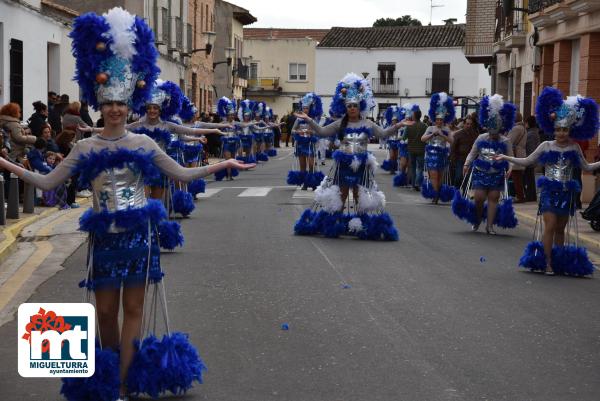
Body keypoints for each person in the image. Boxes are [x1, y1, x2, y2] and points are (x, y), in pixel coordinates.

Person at [4, 9, 255, 401]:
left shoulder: (144, 144)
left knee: (134, 309)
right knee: (105, 312)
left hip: (140, 236)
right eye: (108, 104)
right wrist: (5, 163)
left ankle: (122, 386)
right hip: (105, 240)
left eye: (121, 103)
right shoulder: (85, 146)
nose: (116, 109)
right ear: (99, 106)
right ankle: (105, 376)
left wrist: (223, 162)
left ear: (130, 104)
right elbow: (46, 181)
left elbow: (182, 175)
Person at [497, 87, 600, 276]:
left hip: (566, 193)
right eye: (559, 129)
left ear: (570, 131)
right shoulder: (546, 145)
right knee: (550, 225)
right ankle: (547, 262)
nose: (561, 133)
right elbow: (528, 161)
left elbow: (586, 167)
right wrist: (506, 157)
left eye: (565, 130)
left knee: (560, 229)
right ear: (554, 130)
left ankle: (559, 261)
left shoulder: (575, 147)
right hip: (548, 193)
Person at [293, 73, 402, 240]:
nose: (352, 108)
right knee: (341, 196)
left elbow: (384, 133)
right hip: (343, 166)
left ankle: (362, 226)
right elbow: (322, 132)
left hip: (361, 167)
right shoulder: (340, 123)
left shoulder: (368, 123)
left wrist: (399, 125)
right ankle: (334, 224)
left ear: (360, 107)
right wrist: (309, 120)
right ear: (345, 107)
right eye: (349, 105)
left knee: (360, 196)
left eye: (355, 106)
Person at [454, 94, 517, 234]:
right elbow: (472, 152)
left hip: (497, 174)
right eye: (490, 130)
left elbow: (511, 157)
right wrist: (466, 164)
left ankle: (490, 226)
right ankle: (476, 220)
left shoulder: (505, 141)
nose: (492, 134)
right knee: (479, 198)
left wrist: (510, 168)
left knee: (493, 198)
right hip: (481, 172)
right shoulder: (481, 137)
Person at [420, 92, 455, 204]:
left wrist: (442, 135)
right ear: (434, 119)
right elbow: (422, 139)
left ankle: (438, 192)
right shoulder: (430, 128)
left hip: (442, 156)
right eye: (437, 119)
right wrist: (432, 134)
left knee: (440, 177)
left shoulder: (447, 129)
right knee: (433, 175)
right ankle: (435, 195)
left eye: (441, 120)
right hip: (431, 155)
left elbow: (452, 141)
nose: (439, 121)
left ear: (444, 120)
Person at [287, 93, 324, 190]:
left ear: (310, 109)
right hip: (301, 144)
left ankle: (312, 182)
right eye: (303, 108)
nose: (305, 110)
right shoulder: (298, 119)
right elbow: (292, 131)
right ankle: (305, 183)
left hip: (310, 144)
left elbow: (318, 130)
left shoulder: (313, 119)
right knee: (302, 166)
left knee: (311, 164)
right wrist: (298, 131)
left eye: (307, 108)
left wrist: (310, 131)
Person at [450, 116, 479, 187]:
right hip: (460, 159)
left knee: (467, 178)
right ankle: (456, 192)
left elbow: (478, 148)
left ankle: (464, 195)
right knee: (458, 177)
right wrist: (453, 159)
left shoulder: (475, 135)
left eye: (470, 124)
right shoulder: (458, 134)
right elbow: (453, 147)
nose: (469, 125)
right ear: (464, 124)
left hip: (471, 160)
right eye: (467, 124)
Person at [507, 112, 527, 202]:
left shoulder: (516, 128)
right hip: (521, 153)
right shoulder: (523, 128)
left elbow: (508, 141)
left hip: (515, 154)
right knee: (518, 177)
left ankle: (520, 196)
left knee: (516, 177)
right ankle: (520, 195)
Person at [405, 106, 427, 191]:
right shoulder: (425, 126)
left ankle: (413, 184)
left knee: (413, 167)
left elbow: (404, 137)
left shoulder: (409, 125)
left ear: (414, 116)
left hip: (411, 149)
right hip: (421, 149)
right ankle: (418, 183)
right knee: (420, 167)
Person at [524, 115, 541, 202]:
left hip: (530, 159)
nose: (525, 124)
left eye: (526, 123)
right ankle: (532, 195)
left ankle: (530, 196)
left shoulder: (530, 134)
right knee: (530, 178)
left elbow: (530, 148)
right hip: (534, 159)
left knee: (529, 179)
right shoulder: (535, 132)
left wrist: (527, 159)